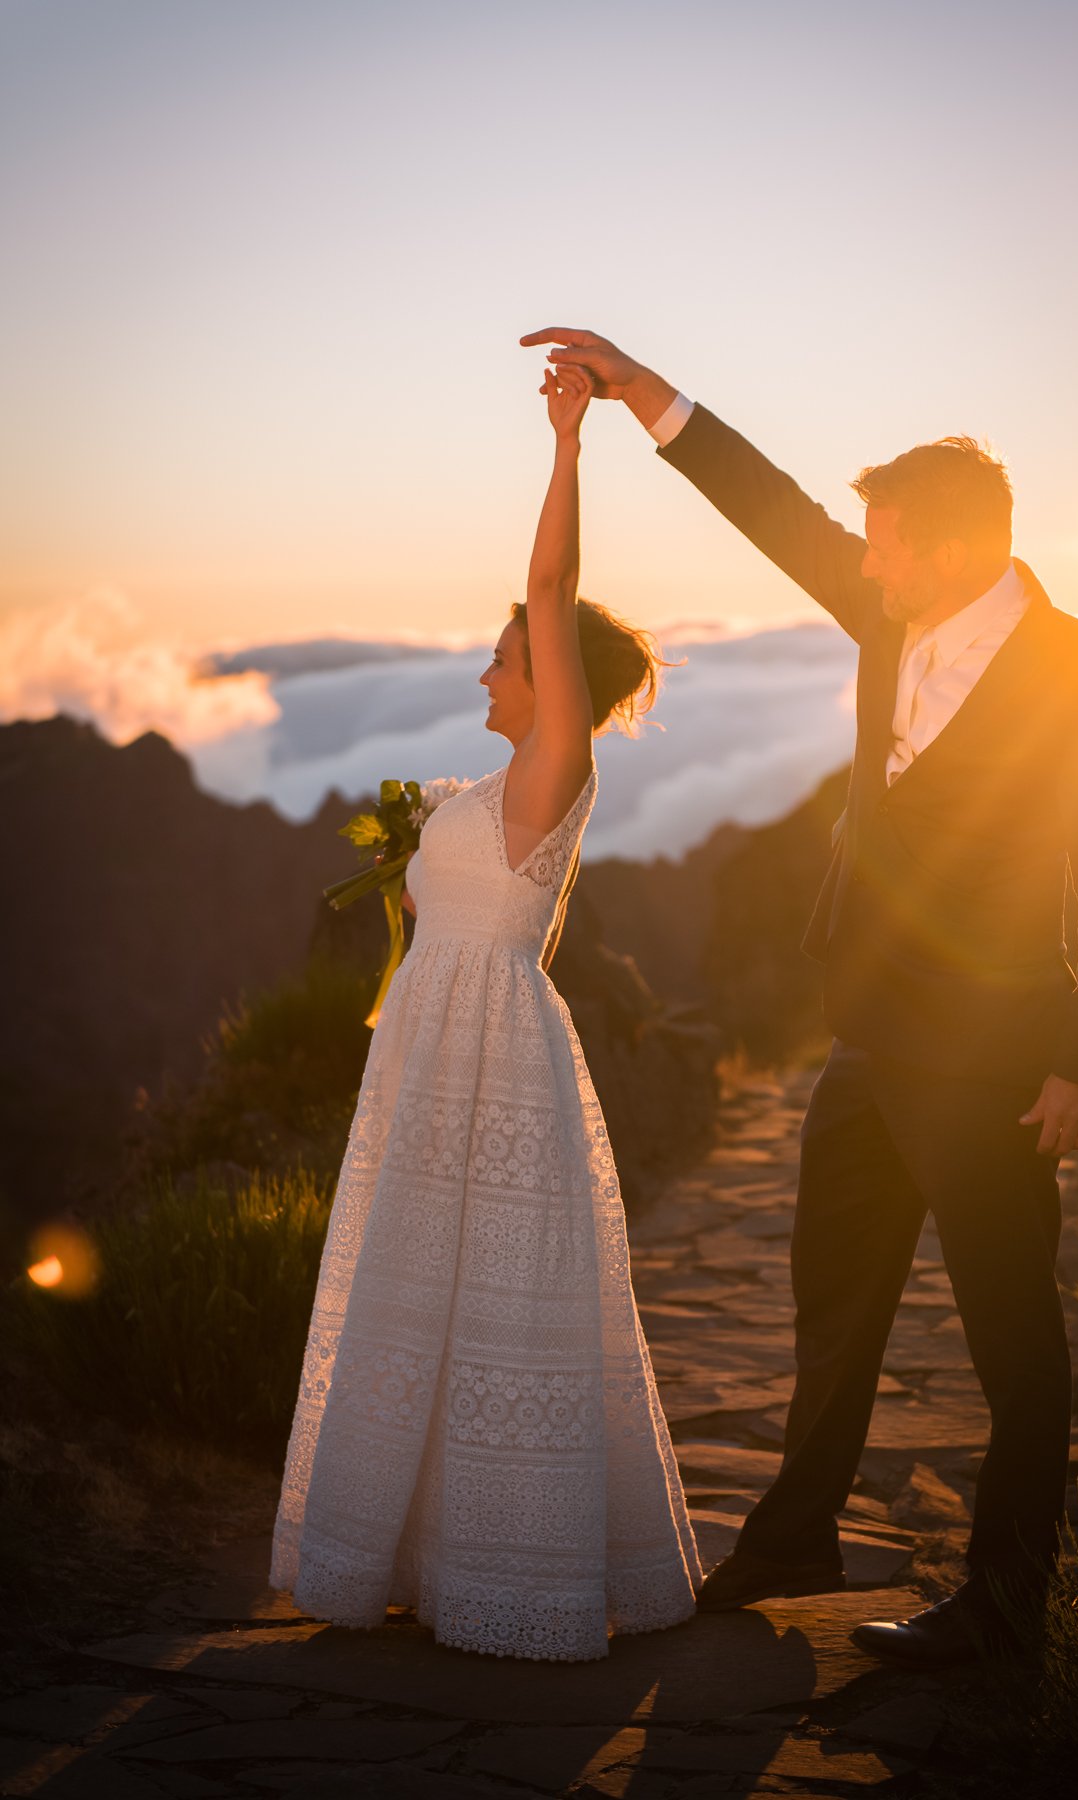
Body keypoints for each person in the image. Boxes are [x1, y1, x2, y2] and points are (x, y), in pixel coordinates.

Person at [519, 325, 1078, 1666]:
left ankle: (1004, 1605)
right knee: (835, 1304)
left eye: (884, 539)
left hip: (994, 1062)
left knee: (1011, 1339)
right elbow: (775, 512)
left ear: (955, 545)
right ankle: (795, 1536)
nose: (860, 560)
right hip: (870, 1041)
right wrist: (648, 398)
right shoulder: (891, 611)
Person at [270, 361, 700, 1661]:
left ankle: (510, 1569)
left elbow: (556, 594)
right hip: (432, 1050)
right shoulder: (508, 784)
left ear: (557, 678)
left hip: (494, 1058)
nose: (485, 674)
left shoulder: (559, 765)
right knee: (428, 1298)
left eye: (504, 658)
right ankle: (423, 1550)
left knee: (492, 1298)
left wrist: (570, 443)